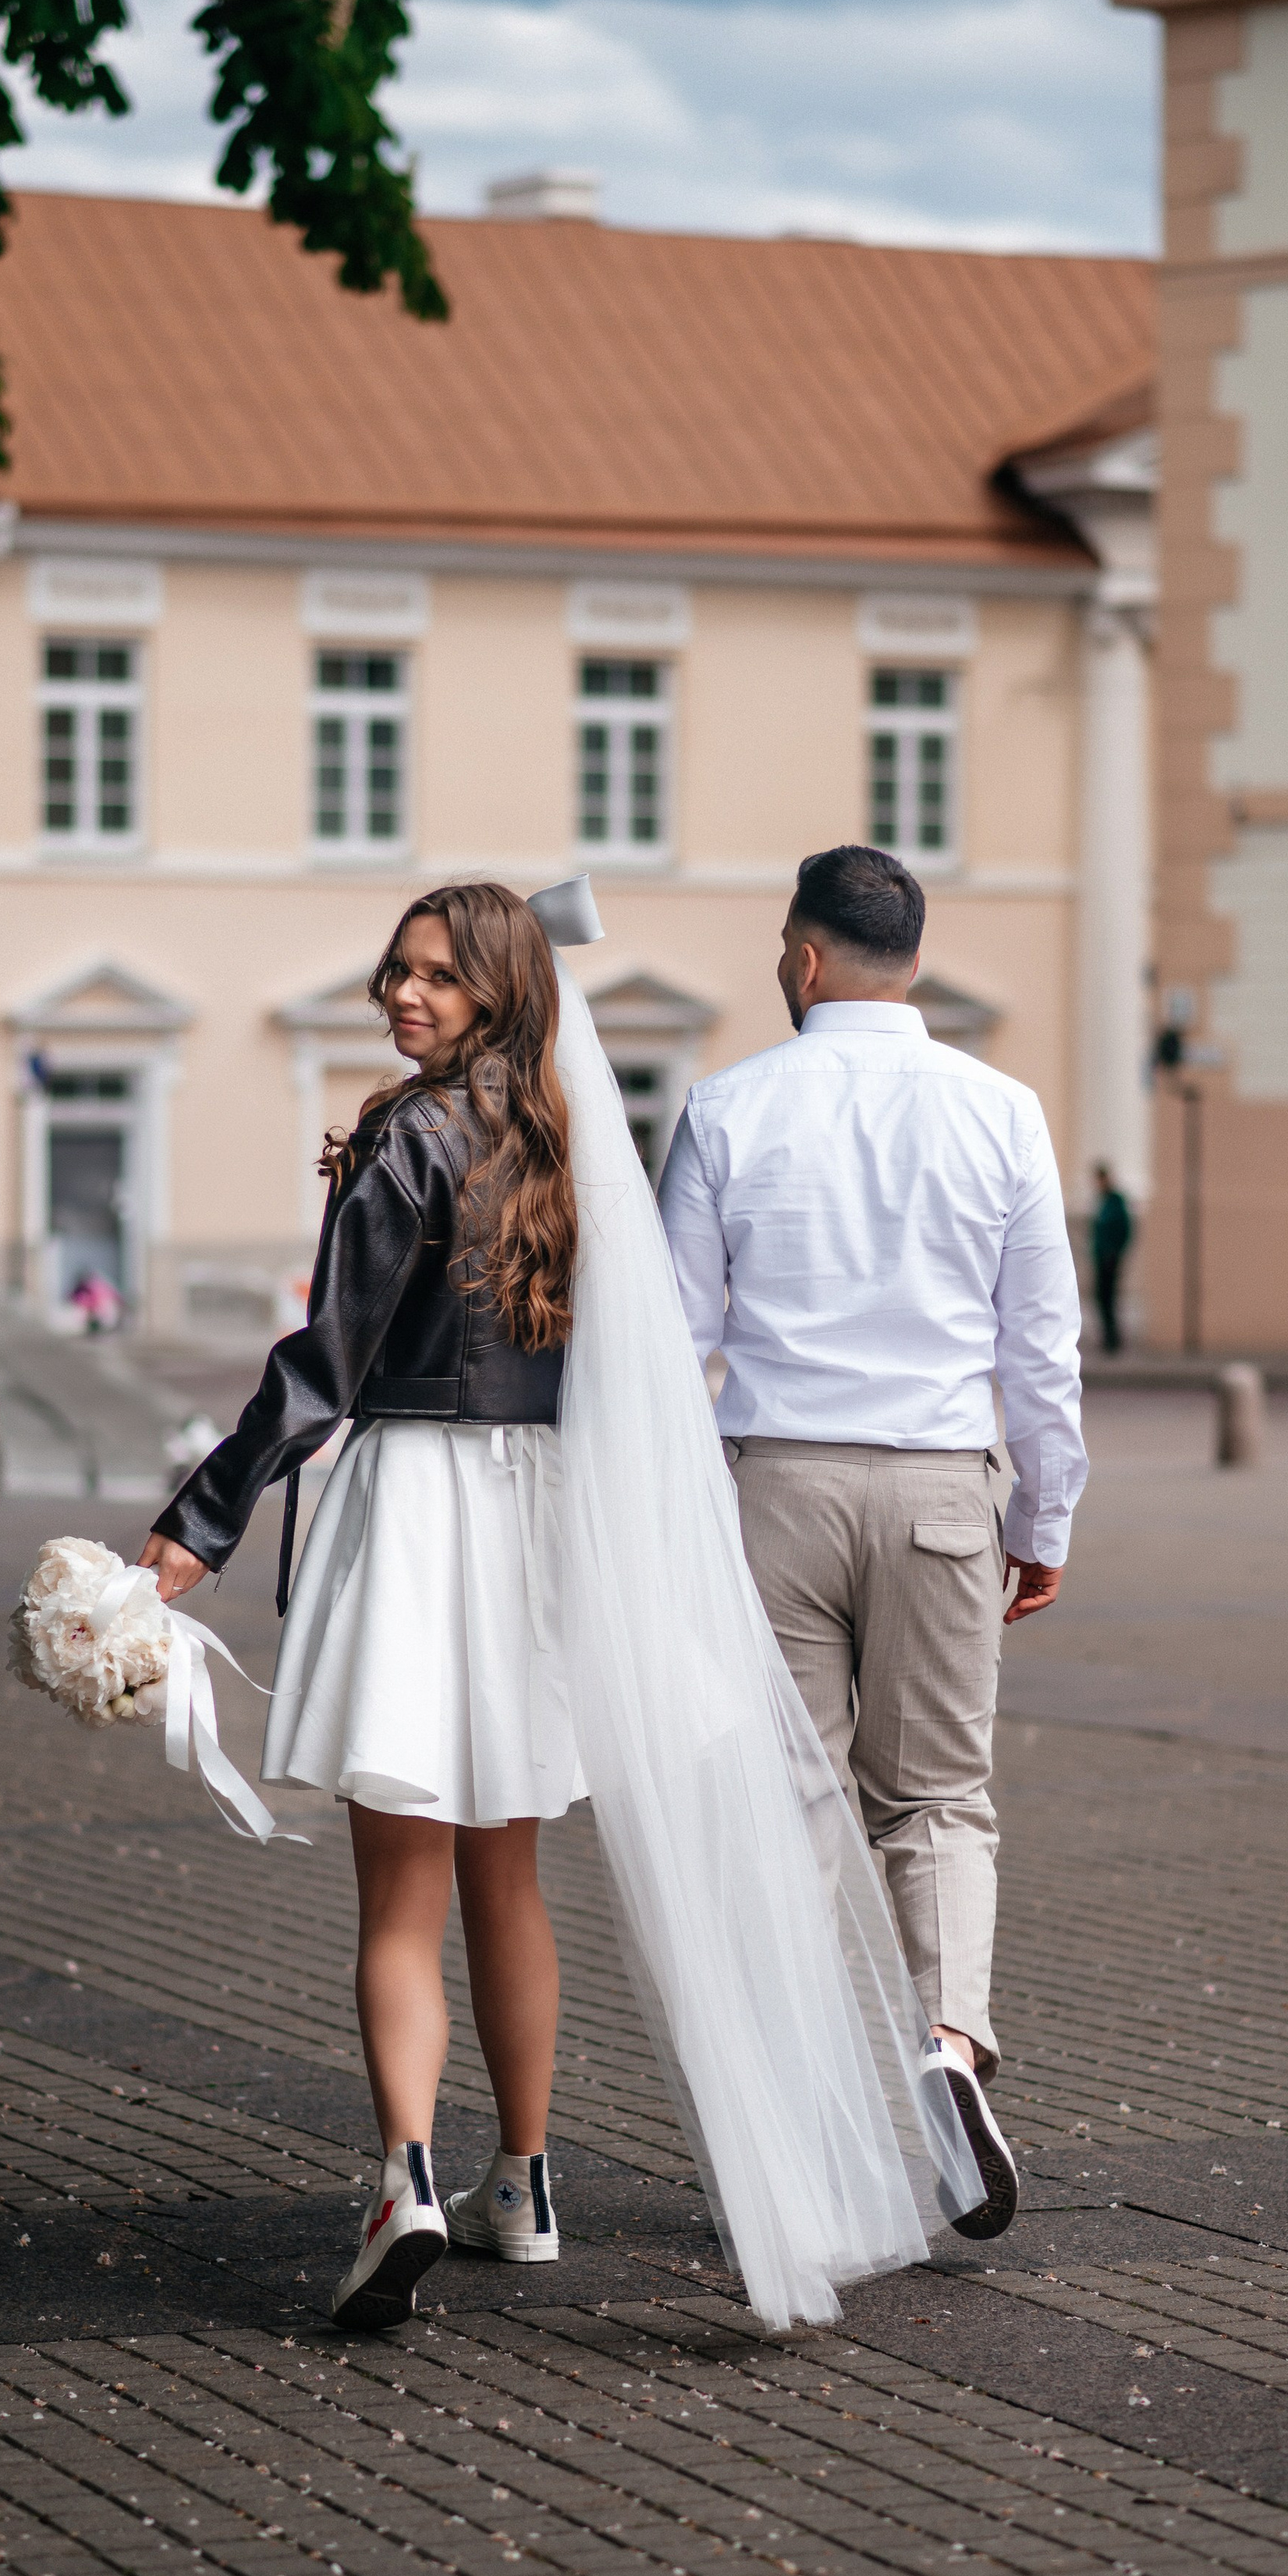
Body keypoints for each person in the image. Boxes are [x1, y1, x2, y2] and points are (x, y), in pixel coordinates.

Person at [140, 877, 984, 2338]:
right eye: (396, 971)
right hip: (540, 1520)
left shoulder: (409, 1135)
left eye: (436, 976)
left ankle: (404, 2185)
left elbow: (323, 1363)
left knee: (401, 1885)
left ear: (498, 991)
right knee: (508, 1870)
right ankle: (522, 2183)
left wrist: (197, 1523)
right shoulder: (576, 1141)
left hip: (419, 1512)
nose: (404, 995)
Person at [658, 844, 1088, 2241]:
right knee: (939, 1800)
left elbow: (676, 1341)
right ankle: (948, 2042)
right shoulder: (1003, 1110)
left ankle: (808, 2117)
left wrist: (672, 1517)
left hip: (775, 1486)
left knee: (788, 1800)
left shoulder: (727, 1106)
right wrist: (1044, 1518)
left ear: (803, 958)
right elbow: (1041, 1345)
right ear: (913, 959)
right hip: (942, 1490)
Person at [1091, 1162, 1133, 1356]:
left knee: (1108, 1298)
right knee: (1102, 1298)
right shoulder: (1102, 1201)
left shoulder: (1115, 1201)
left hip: (1110, 1259)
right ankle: (1108, 1336)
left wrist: (1115, 1252)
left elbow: (1124, 1229)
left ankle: (1113, 1338)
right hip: (1101, 1258)